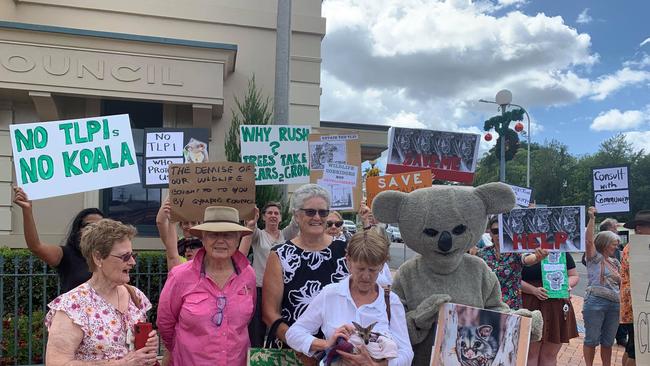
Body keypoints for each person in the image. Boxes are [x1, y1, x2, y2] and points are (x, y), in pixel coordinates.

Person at [286, 230, 414, 365]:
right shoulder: (330, 295)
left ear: (382, 266)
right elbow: (293, 334)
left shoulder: (391, 302)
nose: (366, 276)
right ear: (348, 261)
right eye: (360, 268)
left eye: (372, 270)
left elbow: (406, 352)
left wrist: (379, 365)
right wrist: (326, 343)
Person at [45, 219, 158, 365]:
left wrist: (147, 345)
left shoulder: (135, 295)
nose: (132, 262)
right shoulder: (73, 306)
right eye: (125, 257)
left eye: (132, 255)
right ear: (98, 257)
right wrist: (120, 364)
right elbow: (56, 363)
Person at [157, 206, 255, 366]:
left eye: (228, 235)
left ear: (238, 239)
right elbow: (165, 324)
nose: (220, 241)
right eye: (213, 234)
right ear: (203, 237)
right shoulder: (180, 275)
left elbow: (246, 321)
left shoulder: (247, 274)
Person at [262, 184, 349, 350]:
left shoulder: (345, 250)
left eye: (323, 212)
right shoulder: (280, 255)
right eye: (310, 212)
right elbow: (269, 313)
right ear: (296, 215)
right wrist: (303, 345)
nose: (317, 217)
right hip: (291, 349)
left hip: (338, 352)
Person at [13, 186, 104, 293]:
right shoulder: (66, 254)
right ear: (78, 230)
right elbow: (35, 246)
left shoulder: (110, 255)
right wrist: (27, 210)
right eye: (89, 225)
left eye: (101, 226)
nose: (94, 230)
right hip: (73, 309)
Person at [238, 202, 298, 347]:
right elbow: (250, 230)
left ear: (281, 218)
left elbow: (296, 223)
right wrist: (252, 221)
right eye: (269, 213)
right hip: (260, 290)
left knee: (279, 329)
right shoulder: (259, 235)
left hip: (281, 291)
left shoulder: (285, 235)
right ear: (263, 217)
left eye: (276, 213)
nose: (273, 216)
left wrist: (298, 202)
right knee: (257, 331)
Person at [476, 216, 548, 309]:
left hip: (511, 307)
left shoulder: (516, 252)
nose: (499, 234)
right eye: (495, 231)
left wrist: (538, 257)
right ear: (490, 233)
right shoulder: (481, 253)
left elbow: (526, 259)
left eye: (503, 231)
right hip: (487, 306)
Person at [521, 250, 580, 366]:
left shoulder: (561, 251)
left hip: (556, 306)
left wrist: (566, 285)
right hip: (530, 304)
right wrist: (533, 290)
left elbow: (573, 275)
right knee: (531, 353)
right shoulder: (522, 251)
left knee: (550, 354)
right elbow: (512, 278)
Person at [582, 207, 621, 366]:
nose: (616, 247)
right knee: (591, 339)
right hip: (595, 302)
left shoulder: (615, 263)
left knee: (608, 341)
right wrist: (592, 219)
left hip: (614, 304)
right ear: (605, 244)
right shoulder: (594, 258)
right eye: (613, 244)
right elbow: (589, 241)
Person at [620, 210, 650, 366]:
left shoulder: (635, 246)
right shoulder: (635, 248)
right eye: (638, 226)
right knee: (637, 350)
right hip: (637, 307)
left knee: (632, 346)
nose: (638, 229)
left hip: (637, 305)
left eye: (642, 226)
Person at [156, 197, 202, 270]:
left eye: (193, 223)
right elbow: (160, 222)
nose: (189, 226)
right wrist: (173, 192)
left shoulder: (206, 243)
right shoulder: (175, 242)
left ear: (199, 224)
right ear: (181, 225)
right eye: (186, 223)